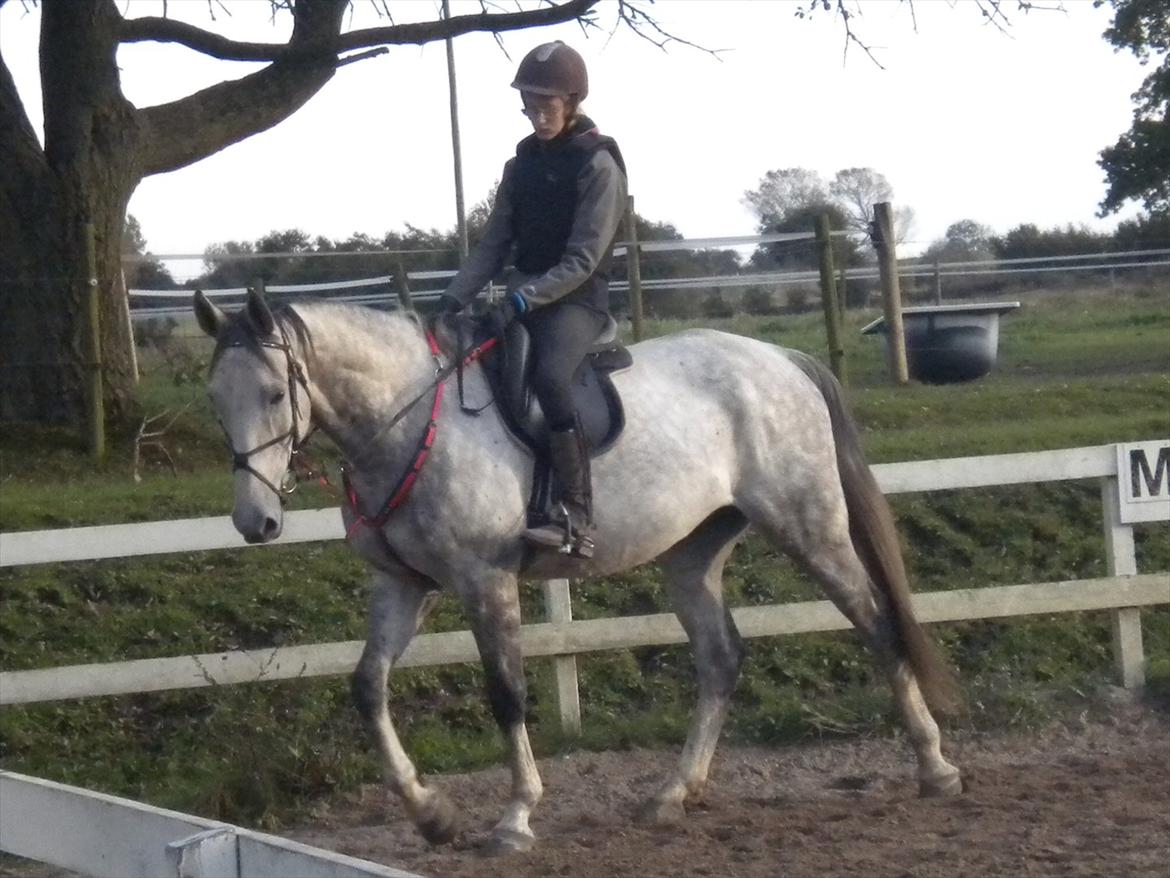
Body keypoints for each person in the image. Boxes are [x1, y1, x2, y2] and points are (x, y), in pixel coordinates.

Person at [439, 41, 628, 558]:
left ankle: (577, 514)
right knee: (468, 357)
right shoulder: (519, 166)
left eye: (548, 103)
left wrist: (524, 299)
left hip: (577, 300)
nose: (538, 113)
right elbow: (494, 245)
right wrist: (453, 300)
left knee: (547, 376)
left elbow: (583, 258)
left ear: (571, 101)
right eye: (530, 102)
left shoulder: (598, 165)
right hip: (522, 290)